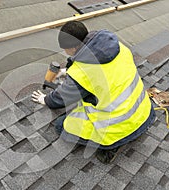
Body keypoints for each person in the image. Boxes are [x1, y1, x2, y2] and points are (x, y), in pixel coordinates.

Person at [32, 21, 156, 164]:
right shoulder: (118, 47)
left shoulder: (83, 73)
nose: (65, 52)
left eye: (65, 49)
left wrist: (45, 99)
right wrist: (67, 72)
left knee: (61, 126)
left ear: (73, 47)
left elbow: (60, 99)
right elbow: (105, 71)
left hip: (120, 126)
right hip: (144, 113)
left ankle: (110, 146)